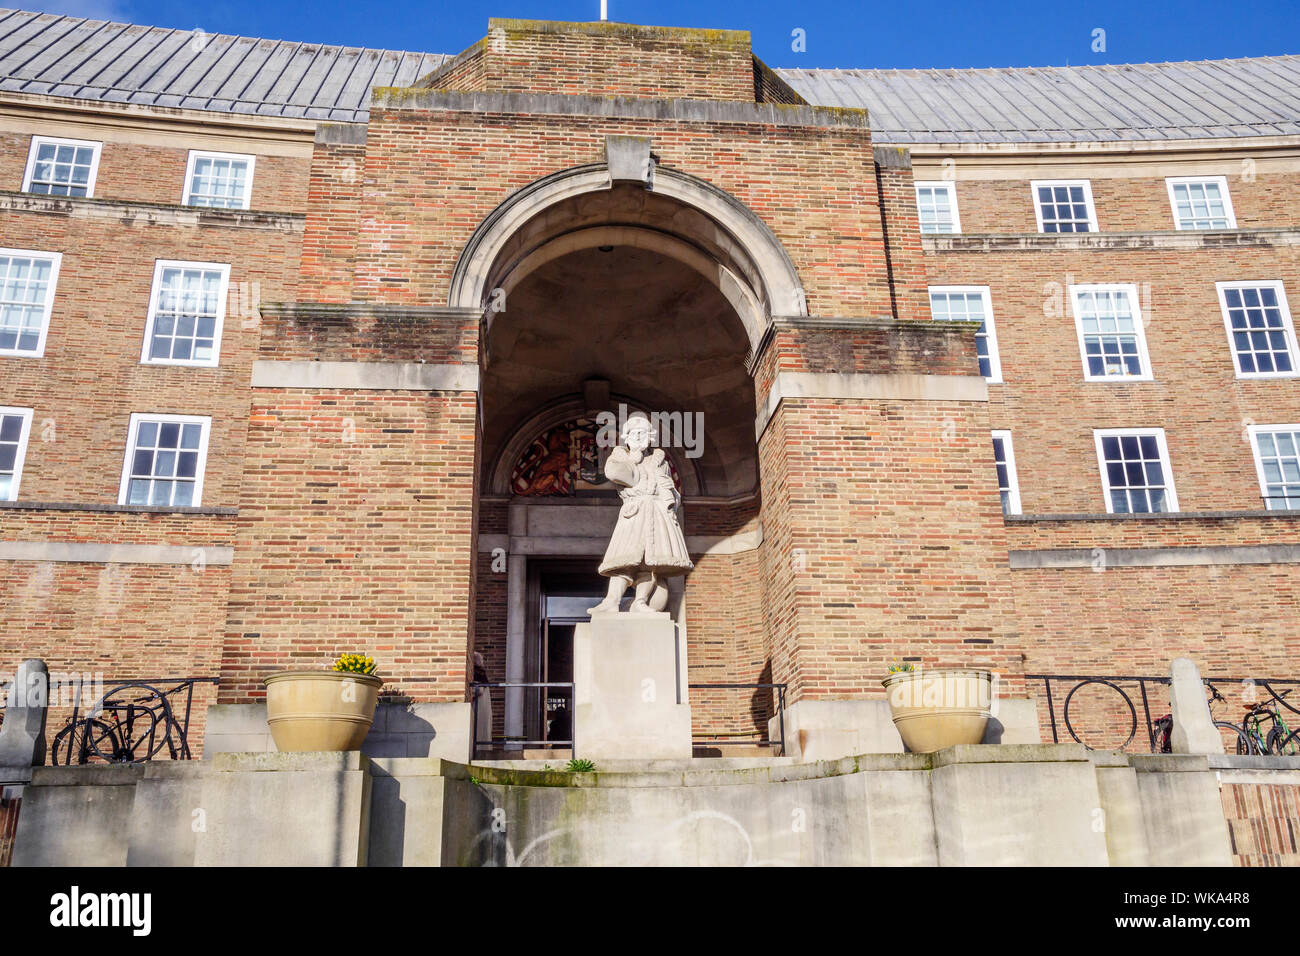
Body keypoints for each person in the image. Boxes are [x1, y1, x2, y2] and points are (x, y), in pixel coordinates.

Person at [589, 412, 693, 614]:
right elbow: (614, 473)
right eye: (634, 434)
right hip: (634, 512)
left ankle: (640, 601)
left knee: (650, 563)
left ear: (650, 438)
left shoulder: (658, 460)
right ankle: (612, 601)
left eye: (643, 433)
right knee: (623, 560)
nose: (638, 437)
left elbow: (668, 487)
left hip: (657, 513)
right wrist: (633, 461)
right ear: (627, 437)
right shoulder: (621, 456)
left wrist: (670, 504)